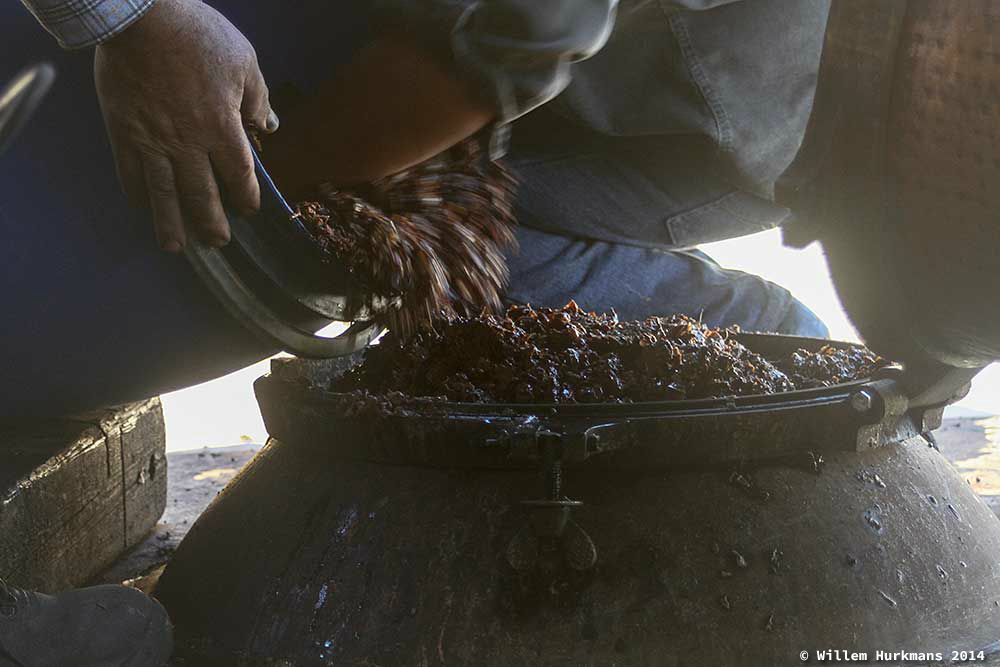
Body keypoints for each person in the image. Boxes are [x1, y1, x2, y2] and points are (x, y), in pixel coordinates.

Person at [3, 0, 997, 664]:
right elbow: (510, 39)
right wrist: (129, 20)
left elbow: (512, 43)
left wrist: (310, 204)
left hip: (650, 115)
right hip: (179, 60)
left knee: (778, 352)